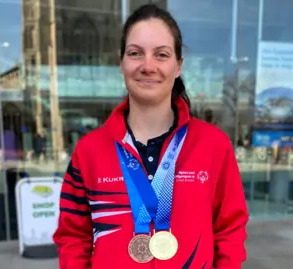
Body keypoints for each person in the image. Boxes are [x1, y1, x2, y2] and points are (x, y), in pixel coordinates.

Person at [53, 4, 248, 269]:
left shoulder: (214, 145)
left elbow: (229, 231)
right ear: (121, 62)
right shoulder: (89, 151)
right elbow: (74, 236)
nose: (148, 66)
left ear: (178, 66)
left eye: (161, 55)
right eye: (135, 53)